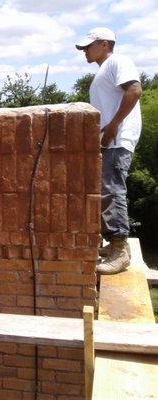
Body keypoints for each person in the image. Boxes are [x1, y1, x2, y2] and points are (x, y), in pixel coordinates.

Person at [76, 27, 142, 274]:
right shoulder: (104, 70)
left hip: (118, 139)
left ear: (105, 44)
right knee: (106, 190)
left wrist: (113, 125)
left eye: (88, 46)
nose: (84, 51)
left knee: (112, 190)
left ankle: (119, 250)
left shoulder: (118, 61)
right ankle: (114, 245)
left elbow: (134, 90)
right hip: (110, 141)